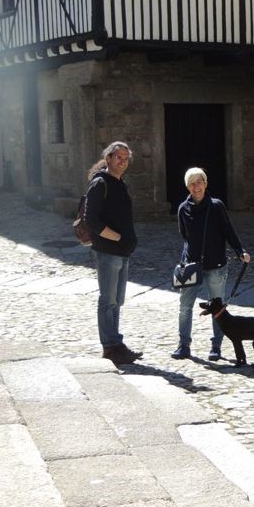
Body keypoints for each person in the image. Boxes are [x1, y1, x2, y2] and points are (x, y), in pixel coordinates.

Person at [172, 167, 251, 361]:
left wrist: (239, 250)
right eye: (192, 183)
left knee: (218, 308)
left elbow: (228, 230)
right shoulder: (183, 209)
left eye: (200, 182)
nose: (196, 186)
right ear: (187, 186)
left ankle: (216, 346)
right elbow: (185, 236)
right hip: (190, 266)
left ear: (205, 184)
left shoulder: (216, 206)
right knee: (185, 307)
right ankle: (184, 345)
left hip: (216, 265)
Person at [84, 141, 142, 366]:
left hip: (122, 252)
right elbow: (91, 220)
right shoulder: (100, 183)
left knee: (116, 301)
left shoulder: (120, 183)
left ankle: (116, 344)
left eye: (126, 158)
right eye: (119, 157)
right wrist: (117, 237)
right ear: (108, 158)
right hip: (108, 252)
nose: (123, 162)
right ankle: (110, 347)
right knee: (107, 301)